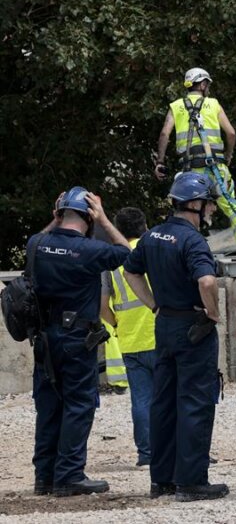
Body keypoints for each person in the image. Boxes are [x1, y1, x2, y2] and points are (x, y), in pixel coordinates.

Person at [123, 173, 228, 502]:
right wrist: (212, 312)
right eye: (208, 204)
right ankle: (191, 482)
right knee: (195, 401)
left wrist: (153, 304)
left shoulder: (152, 235)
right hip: (193, 329)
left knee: (163, 402)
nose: (210, 210)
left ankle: (162, 480)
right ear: (195, 204)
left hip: (165, 325)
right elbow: (207, 282)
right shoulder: (193, 241)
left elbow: (130, 271)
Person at [29, 187, 130, 497]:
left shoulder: (37, 243)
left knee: (49, 405)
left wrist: (54, 218)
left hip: (44, 339)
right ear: (89, 218)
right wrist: (105, 220)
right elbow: (129, 253)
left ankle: (45, 477)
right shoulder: (90, 251)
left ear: (59, 214)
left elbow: (42, 238)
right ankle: (70, 475)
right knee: (78, 404)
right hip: (76, 338)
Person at [155, 67, 236, 256]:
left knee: (189, 207)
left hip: (190, 170)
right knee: (229, 202)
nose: (208, 88)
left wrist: (160, 161)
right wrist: (228, 155)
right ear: (201, 84)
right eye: (207, 84)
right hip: (215, 167)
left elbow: (164, 133)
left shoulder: (176, 106)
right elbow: (231, 133)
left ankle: (191, 246)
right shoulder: (214, 104)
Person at [99, 207, 157, 467]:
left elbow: (102, 305)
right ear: (145, 226)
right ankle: (174, 448)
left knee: (141, 399)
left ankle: (146, 454)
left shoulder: (112, 262)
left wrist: (117, 324)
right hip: (160, 333)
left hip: (130, 339)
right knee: (170, 396)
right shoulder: (153, 250)